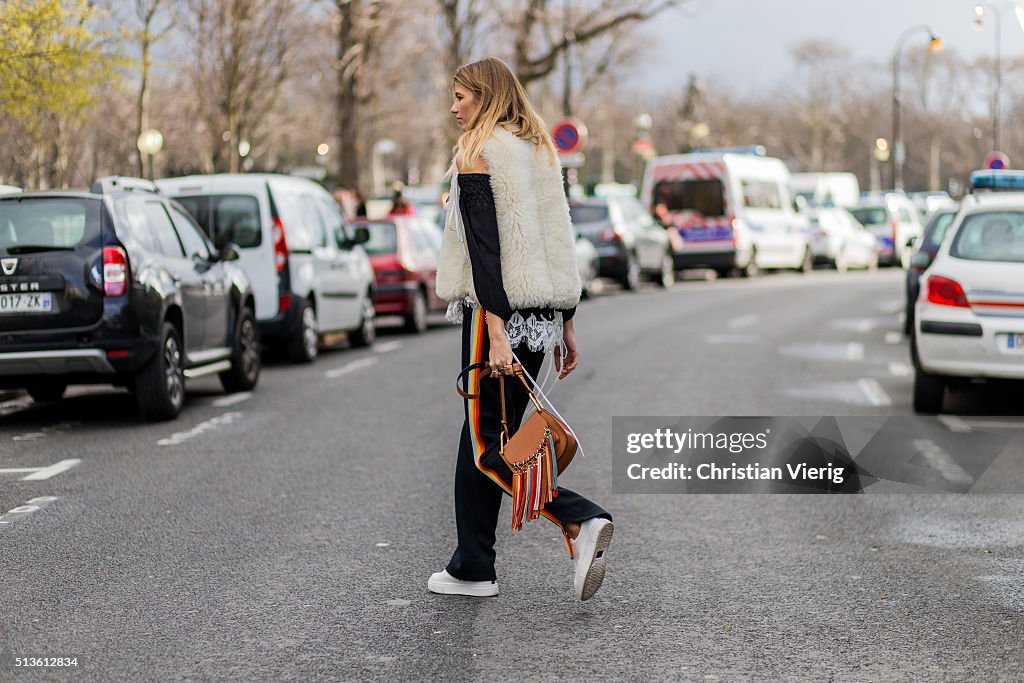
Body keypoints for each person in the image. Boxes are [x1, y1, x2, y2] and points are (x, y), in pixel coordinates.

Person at [429, 56, 613, 601]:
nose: (454, 107)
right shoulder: (537, 149)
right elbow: (561, 239)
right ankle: (472, 566)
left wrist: (497, 330)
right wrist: (566, 322)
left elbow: (488, 253)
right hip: (541, 315)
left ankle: (579, 518)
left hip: (499, 317)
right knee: (483, 439)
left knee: (488, 446)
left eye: (462, 96)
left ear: (485, 96)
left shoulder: (479, 151)